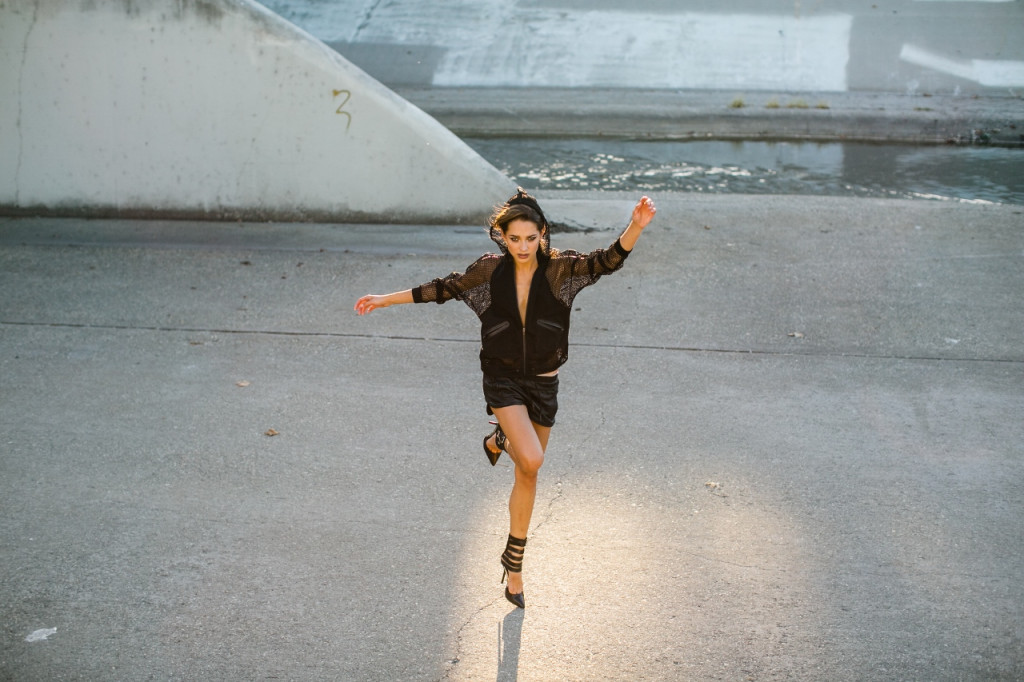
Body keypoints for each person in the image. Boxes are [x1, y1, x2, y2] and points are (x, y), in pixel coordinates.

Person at [354, 189, 656, 608]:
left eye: (530, 238)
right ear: (502, 237)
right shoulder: (488, 273)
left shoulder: (561, 270)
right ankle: (503, 437)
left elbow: (606, 261)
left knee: (527, 475)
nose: (523, 247)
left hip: (544, 384)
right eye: (514, 239)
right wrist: (386, 298)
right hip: (502, 380)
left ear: (542, 234)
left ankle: (514, 567)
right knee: (532, 458)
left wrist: (635, 227)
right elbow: (444, 288)